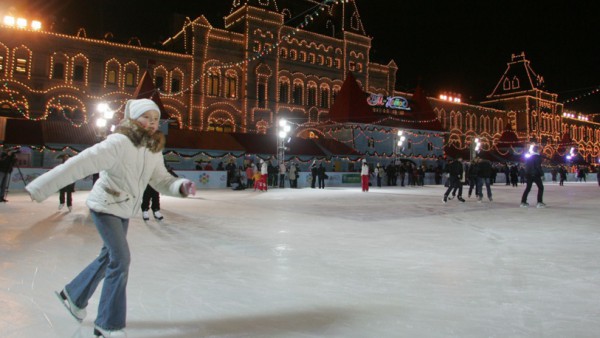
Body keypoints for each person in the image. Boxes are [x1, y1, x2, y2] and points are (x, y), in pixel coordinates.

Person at [25, 98, 197, 337]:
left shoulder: (152, 149)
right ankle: (107, 324)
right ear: (133, 118)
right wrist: (41, 187)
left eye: (155, 119)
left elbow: (161, 179)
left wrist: (180, 185)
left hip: (124, 209)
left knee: (108, 257)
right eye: (146, 117)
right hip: (105, 206)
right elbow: (79, 164)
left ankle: (73, 296)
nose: (151, 123)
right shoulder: (118, 142)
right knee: (120, 259)